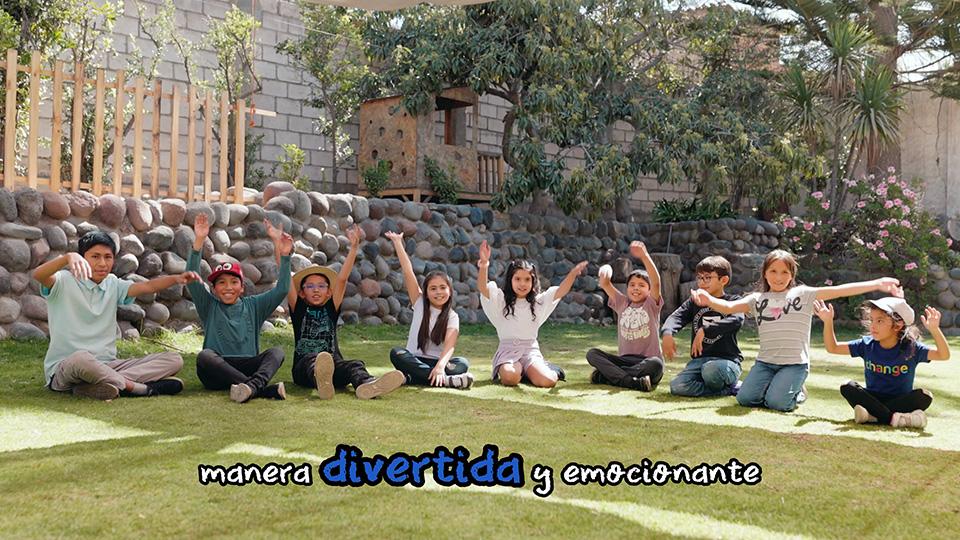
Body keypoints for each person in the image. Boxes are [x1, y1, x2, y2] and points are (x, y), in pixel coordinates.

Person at [691, 249, 901, 412]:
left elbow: (838, 290)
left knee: (777, 404)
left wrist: (878, 283)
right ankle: (778, 386)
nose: (778, 277)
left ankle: (797, 391)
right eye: (773, 271)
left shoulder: (803, 294)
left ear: (791, 275)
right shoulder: (757, 299)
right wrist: (707, 298)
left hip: (794, 364)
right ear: (765, 273)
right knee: (745, 399)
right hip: (766, 363)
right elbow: (728, 308)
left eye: (784, 272)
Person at [34, 231, 197, 400]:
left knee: (174, 359)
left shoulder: (113, 284)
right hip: (67, 367)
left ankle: (94, 386)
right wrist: (68, 257)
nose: (102, 263)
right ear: (82, 258)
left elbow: (147, 286)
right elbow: (38, 274)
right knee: (81, 359)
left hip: (109, 366)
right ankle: (139, 388)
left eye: (108, 257)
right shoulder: (63, 280)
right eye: (95, 256)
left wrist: (176, 278)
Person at [286, 225, 404, 399]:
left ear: (329, 292)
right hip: (304, 369)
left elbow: (341, 280)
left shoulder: (330, 308)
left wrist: (354, 248)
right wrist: (282, 254)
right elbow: (285, 281)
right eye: (310, 286)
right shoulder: (299, 308)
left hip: (333, 365)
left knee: (355, 365)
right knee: (314, 361)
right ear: (302, 292)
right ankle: (321, 381)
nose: (316, 290)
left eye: (321, 286)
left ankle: (367, 385)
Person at [188, 214, 291, 403]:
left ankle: (249, 387)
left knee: (277, 352)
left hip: (247, 365)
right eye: (222, 283)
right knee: (205, 356)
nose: (228, 287)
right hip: (215, 372)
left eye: (234, 282)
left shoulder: (254, 305)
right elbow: (192, 280)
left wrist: (283, 255)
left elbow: (282, 288)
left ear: (242, 287)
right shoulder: (209, 304)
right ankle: (260, 389)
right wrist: (199, 241)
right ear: (215, 288)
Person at [815, 297, 950, 429]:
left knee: (925, 395)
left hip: (900, 400)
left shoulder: (912, 348)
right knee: (847, 386)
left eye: (879, 321)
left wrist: (935, 330)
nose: (873, 326)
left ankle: (872, 417)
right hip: (872, 398)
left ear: (897, 325)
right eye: (871, 320)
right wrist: (827, 322)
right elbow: (833, 348)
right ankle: (896, 419)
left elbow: (943, 355)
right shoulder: (866, 344)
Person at [478, 240, 586, 387]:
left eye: (527, 280)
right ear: (510, 280)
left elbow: (560, 291)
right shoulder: (501, 300)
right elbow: (483, 289)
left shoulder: (538, 302)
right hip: (508, 352)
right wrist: (484, 264)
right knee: (510, 378)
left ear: (533, 281)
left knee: (548, 381)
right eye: (517, 279)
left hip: (530, 351)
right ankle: (522, 372)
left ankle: (546, 369)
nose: (522, 284)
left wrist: (572, 274)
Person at [386, 231, 474, 389]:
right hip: (414, 359)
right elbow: (408, 272)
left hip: (437, 362)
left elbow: (449, 346)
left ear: (450, 290)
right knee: (397, 353)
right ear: (426, 292)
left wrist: (440, 367)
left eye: (442, 287)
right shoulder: (419, 303)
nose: (438, 292)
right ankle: (445, 381)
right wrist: (398, 242)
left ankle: (412, 377)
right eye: (433, 288)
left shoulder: (452, 317)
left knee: (462, 363)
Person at [587, 241, 664, 391]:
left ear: (649, 291)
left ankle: (607, 377)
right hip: (624, 360)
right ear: (627, 288)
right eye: (632, 285)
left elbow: (656, 283)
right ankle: (631, 381)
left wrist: (645, 256)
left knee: (656, 364)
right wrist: (605, 271)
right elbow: (605, 283)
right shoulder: (622, 302)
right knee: (592, 354)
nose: (636, 288)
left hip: (647, 363)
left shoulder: (651, 304)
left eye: (641, 285)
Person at [664, 256, 744, 397]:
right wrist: (667, 333)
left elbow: (737, 319)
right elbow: (676, 317)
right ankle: (729, 389)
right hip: (699, 362)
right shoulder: (694, 302)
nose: (702, 282)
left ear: (723, 280)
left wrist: (705, 330)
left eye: (707, 278)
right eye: (699, 278)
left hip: (726, 362)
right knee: (677, 386)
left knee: (710, 370)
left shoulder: (733, 301)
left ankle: (727, 382)